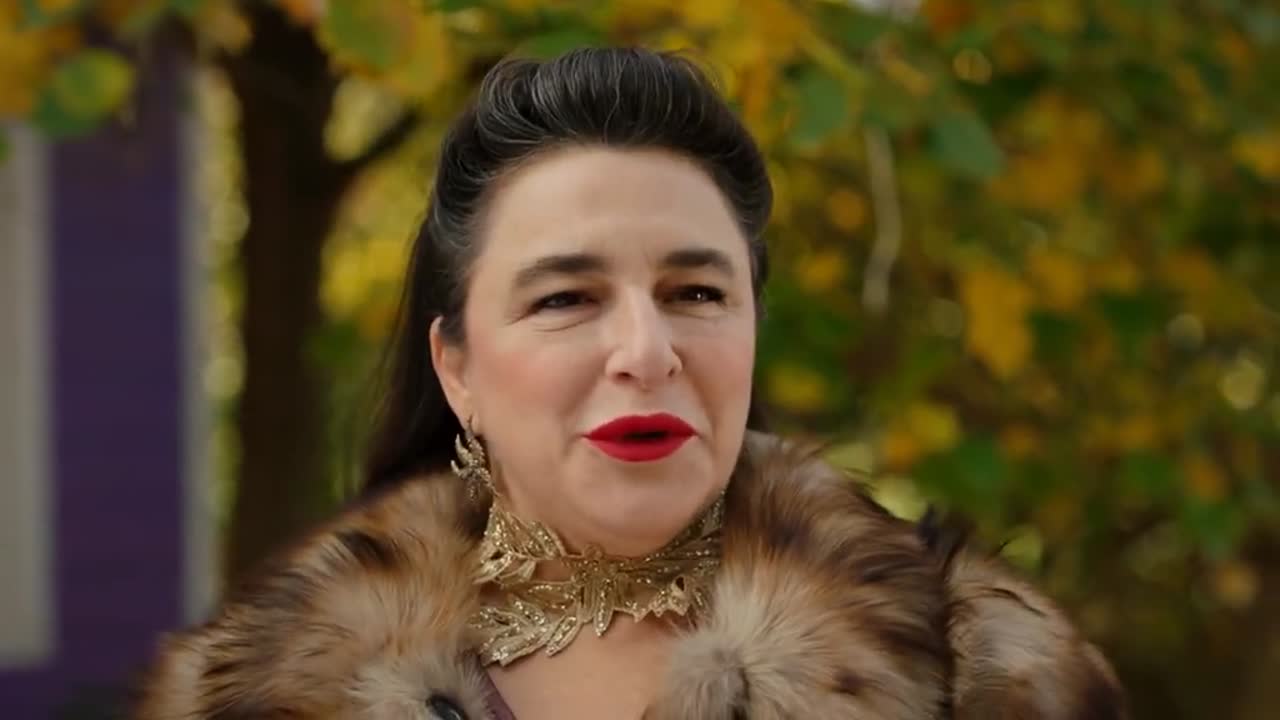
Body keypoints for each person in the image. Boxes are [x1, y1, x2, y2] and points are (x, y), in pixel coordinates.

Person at [135, 48, 1126, 719]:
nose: (646, 351)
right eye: (566, 298)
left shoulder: (983, 671)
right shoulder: (255, 695)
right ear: (458, 369)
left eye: (695, 293)